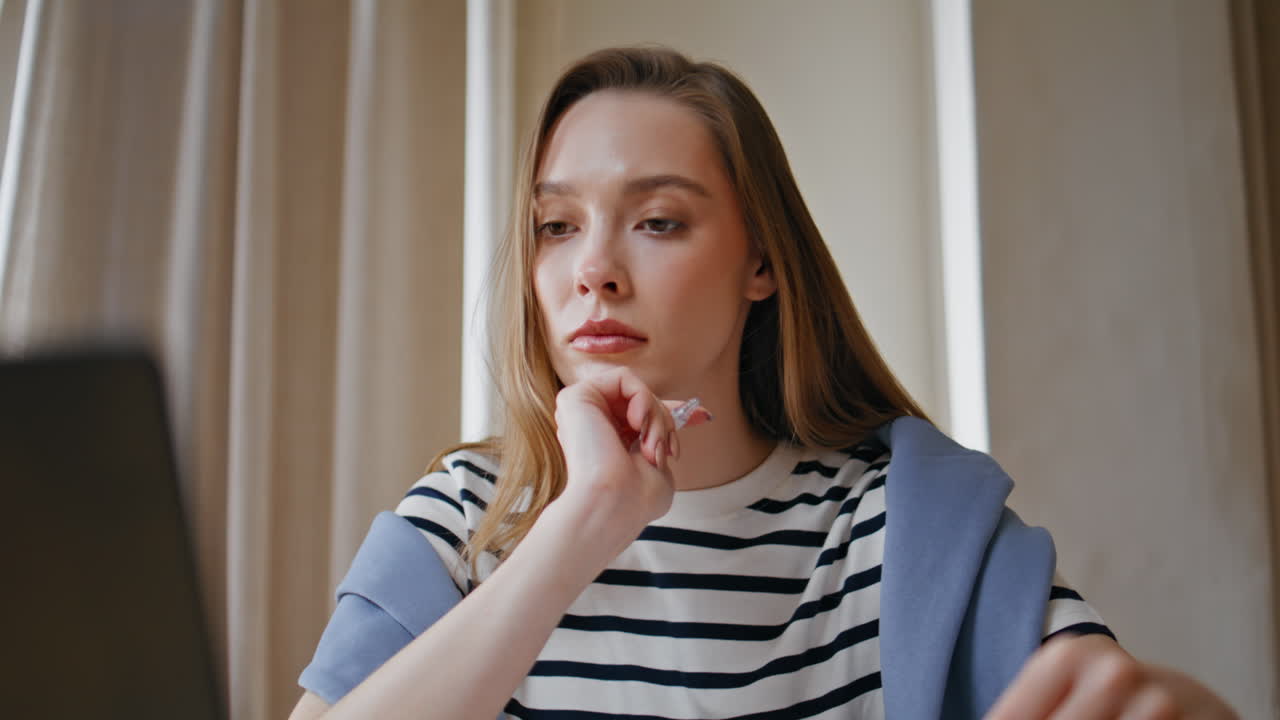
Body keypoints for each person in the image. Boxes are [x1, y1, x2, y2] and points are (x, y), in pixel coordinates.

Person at [289, 46, 1238, 720]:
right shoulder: (463, 520)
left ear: (762, 264)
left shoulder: (902, 528)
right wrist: (580, 528)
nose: (594, 272)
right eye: (556, 226)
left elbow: (1119, 698)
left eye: (657, 221)